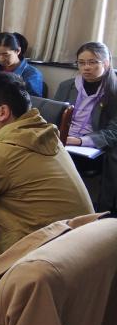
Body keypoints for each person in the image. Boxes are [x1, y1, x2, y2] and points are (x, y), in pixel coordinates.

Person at [0, 72, 93, 258]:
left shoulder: (5, 152)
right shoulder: (40, 134)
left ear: (2, 112)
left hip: (36, 260)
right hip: (75, 252)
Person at [54, 41, 117, 211]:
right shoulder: (67, 86)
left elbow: (113, 131)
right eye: (81, 63)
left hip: (92, 145)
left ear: (106, 63)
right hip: (62, 138)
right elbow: (54, 115)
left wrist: (80, 141)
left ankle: (99, 210)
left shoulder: (114, 90)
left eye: (92, 62)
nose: (86, 68)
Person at [0, 32, 44, 96]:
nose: (1, 59)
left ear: (18, 51)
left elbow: (34, 100)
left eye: (6, 55)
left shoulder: (32, 74)